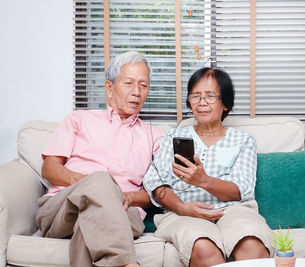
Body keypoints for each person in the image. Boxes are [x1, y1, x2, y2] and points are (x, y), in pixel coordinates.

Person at [36, 51, 163, 267]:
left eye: (143, 85)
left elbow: (157, 192)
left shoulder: (155, 136)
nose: (137, 92)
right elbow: (49, 168)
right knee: (101, 182)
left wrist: (122, 198)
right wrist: (93, 187)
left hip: (125, 212)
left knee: (92, 220)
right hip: (61, 208)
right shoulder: (79, 119)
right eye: (129, 83)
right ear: (109, 87)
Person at [143, 67, 273, 267]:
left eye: (210, 96)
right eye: (195, 96)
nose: (202, 102)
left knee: (251, 244)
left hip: (232, 210)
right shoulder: (172, 138)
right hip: (182, 213)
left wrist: (203, 180)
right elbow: (154, 183)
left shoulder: (242, 140)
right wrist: (182, 208)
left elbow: (240, 190)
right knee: (203, 246)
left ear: (226, 104)